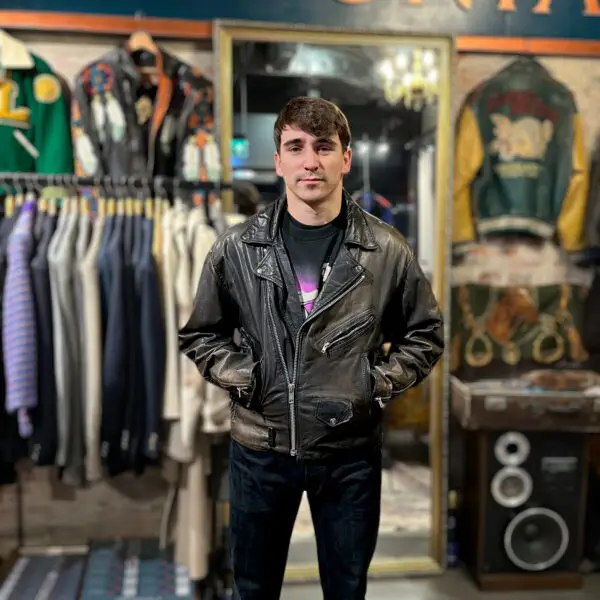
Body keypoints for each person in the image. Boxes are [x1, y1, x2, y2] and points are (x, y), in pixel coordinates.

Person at [178, 97, 444, 600]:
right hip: (261, 447)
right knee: (254, 589)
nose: (310, 161)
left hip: (349, 453)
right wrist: (250, 377)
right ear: (278, 160)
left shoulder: (386, 249)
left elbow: (424, 334)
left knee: (346, 588)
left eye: (323, 147)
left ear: (345, 158)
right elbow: (200, 335)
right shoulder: (237, 248)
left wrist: (373, 383)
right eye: (296, 147)